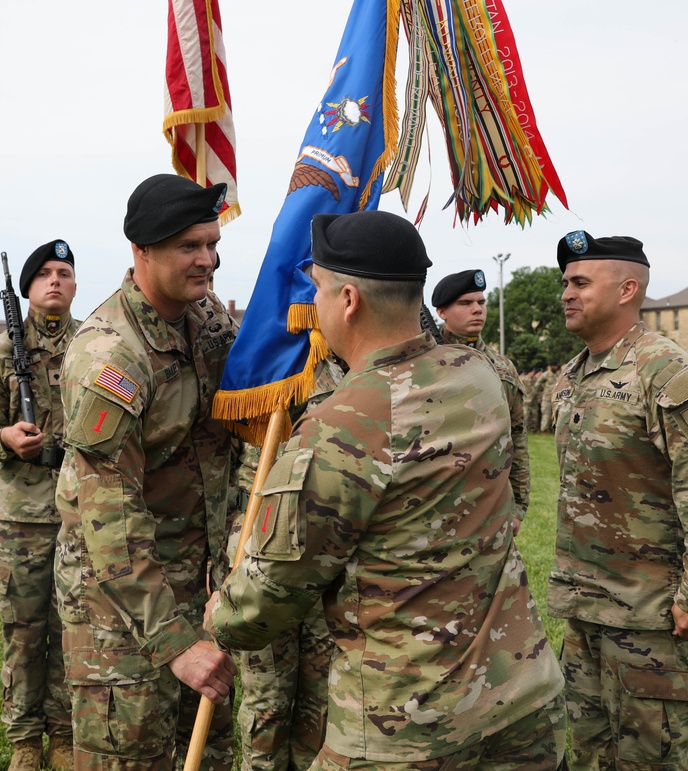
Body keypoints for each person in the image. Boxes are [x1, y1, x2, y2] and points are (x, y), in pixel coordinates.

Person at [207, 210, 567, 770]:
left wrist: (219, 615)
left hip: (406, 725)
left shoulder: (343, 424)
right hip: (521, 696)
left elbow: (269, 597)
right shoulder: (477, 374)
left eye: (319, 291)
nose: (316, 306)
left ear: (348, 300)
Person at [55, 175, 238, 770]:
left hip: (197, 585)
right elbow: (109, 521)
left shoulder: (202, 318)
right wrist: (175, 643)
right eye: (189, 246)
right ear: (141, 251)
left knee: (205, 751)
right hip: (122, 608)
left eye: (212, 244)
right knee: (129, 756)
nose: (207, 260)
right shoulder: (109, 358)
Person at [550, 230, 688, 770]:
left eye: (581, 282)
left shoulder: (665, 373)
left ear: (627, 289)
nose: (566, 293)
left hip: (649, 614)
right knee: (592, 752)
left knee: (649, 759)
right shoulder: (575, 376)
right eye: (565, 282)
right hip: (585, 606)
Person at [0, 239, 79, 771]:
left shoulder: (93, 347)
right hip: (22, 519)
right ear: (28, 287)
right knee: (25, 632)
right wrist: (7, 438)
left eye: (65, 272)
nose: (55, 280)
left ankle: (64, 733)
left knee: (72, 630)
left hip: (82, 514)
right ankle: (25, 740)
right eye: (45, 274)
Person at [227, 358, 343, 771]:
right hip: (261, 550)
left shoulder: (353, 366)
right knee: (269, 699)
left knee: (320, 695)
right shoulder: (269, 358)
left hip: (326, 554)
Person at [431, 268, 531, 534]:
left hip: (491, 499)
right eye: (465, 303)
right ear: (442, 312)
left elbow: (517, 438)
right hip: (434, 500)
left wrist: (519, 506)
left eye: (481, 302)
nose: (477, 309)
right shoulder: (423, 363)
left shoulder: (502, 367)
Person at [538, 362, 562, 432]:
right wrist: (543, 390)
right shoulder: (545, 374)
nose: (555, 367)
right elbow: (538, 383)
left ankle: (553, 430)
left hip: (556, 399)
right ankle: (543, 430)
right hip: (547, 398)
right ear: (551, 366)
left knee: (556, 415)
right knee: (546, 415)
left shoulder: (558, 374)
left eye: (556, 366)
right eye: (554, 366)